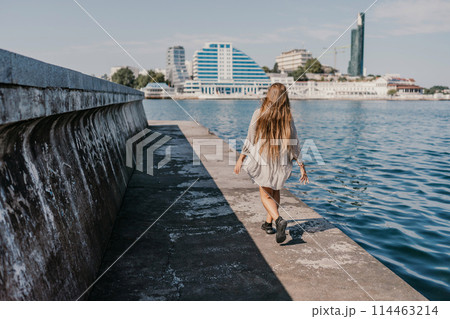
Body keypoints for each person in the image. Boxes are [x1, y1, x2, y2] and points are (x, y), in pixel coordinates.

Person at [234, 83, 309, 244]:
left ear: (269, 95)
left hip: (263, 159)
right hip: (281, 160)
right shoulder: (287, 117)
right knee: (275, 191)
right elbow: (295, 143)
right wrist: (302, 166)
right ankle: (268, 224)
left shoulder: (259, 113)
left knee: (265, 194)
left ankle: (278, 220)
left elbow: (250, 138)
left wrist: (241, 158)